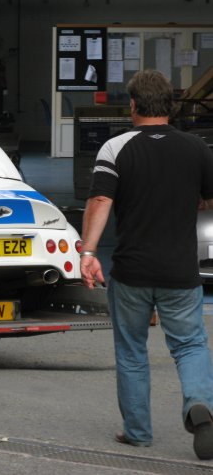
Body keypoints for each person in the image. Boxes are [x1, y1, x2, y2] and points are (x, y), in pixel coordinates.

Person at [80, 69, 213, 459]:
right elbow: (208, 197)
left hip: (132, 271)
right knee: (189, 345)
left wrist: (88, 253)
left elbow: (101, 202)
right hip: (179, 272)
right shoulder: (196, 149)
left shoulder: (115, 148)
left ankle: (138, 432)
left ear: (133, 106)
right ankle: (198, 407)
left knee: (132, 351)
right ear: (169, 107)